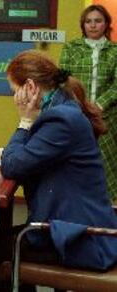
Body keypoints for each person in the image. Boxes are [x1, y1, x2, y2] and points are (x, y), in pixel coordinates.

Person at [0, 50, 117, 291]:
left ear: (29, 86)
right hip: (81, 228)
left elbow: (14, 166)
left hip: (79, 239)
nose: (13, 97)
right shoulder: (64, 107)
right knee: (2, 240)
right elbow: (36, 151)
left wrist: (24, 121)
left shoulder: (60, 119)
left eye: (13, 90)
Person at [59, 4, 117, 202]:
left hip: (107, 117)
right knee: (76, 161)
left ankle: (106, 210)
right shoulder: (71, 48)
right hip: (77, 115)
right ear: (83, 25)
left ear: (107, 24)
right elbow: (63, 82)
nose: (93, 25)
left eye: (98, 21)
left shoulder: (115, 51)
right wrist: (81, 106)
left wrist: (98, 106)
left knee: (106, 165)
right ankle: (78, 204)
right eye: (88, 21)